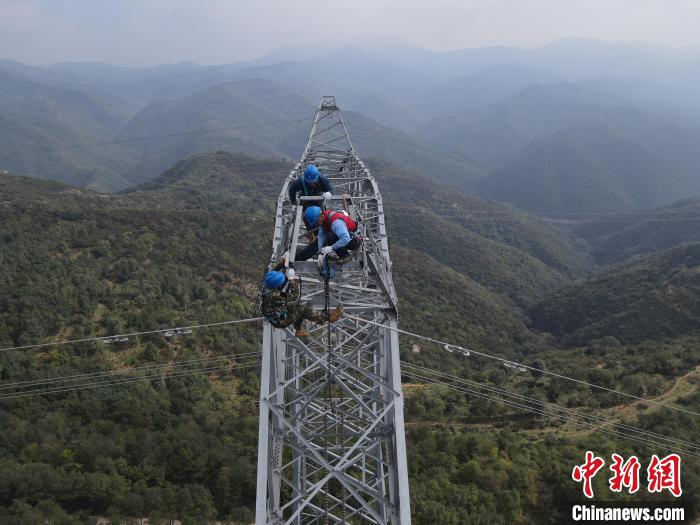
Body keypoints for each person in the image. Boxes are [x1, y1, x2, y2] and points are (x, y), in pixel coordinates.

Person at [261, 261, 342, 337]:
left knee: (298, 308)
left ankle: (299, 330)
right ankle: (327, 318)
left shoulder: (267, 285)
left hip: (277, 312)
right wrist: (292, 280)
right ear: (277, 286)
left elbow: (272, 274)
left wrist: (281, 264)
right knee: (303, 309)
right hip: (280, 321)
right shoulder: (275, 296)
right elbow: (295, 296)